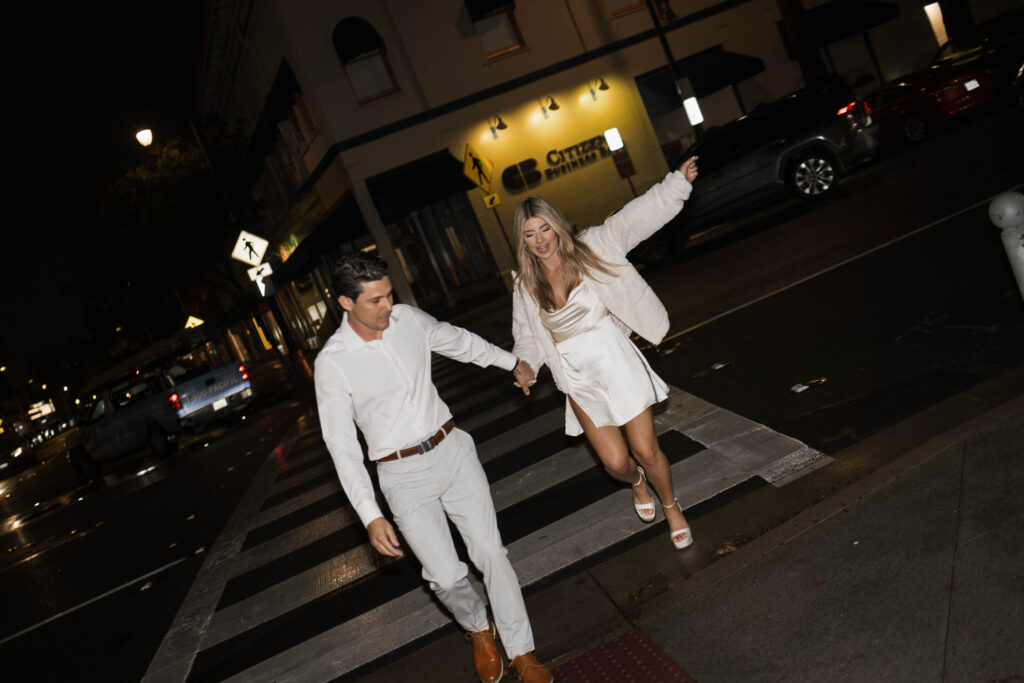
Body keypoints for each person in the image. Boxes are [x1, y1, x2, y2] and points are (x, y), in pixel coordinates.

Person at [314, 253, 551, 683]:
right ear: (346, 303)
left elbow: (456, 340)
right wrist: (370, 515)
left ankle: (522, 652)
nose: (388, 306)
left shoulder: (407, 319)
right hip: (401, 475)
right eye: (375, 301)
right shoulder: (333, 364)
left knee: (491, 553)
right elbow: (341, 446)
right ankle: (478, 626)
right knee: (444, 576)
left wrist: (511, 362)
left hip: (452, 450)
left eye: (389, 295)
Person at [510, 157, 699, 550]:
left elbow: (634, 218)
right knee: (616, 464)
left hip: (616, 361)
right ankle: (637, 483)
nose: (541, 239)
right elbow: (527, 336)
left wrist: (676, 184)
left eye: (545, 228)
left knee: (646, 449)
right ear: (522, 241)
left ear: (557, 225)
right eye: (530, 234)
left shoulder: (592, 246)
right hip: (578, 377)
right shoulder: (526, 285)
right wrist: (525, 365)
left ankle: (672, 505)